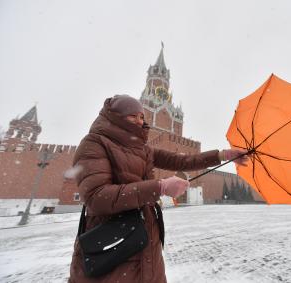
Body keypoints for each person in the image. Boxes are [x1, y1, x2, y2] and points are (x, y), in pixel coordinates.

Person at [68, 95, 248, 283]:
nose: (139, 121)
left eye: (141, 116)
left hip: (145, 242)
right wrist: (159, 187)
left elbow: (181, 160)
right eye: (132, 116)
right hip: (112, 243)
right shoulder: (94, 143)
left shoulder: (142, 148)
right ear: (116, 116)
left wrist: (223, 155)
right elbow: (97, 197)